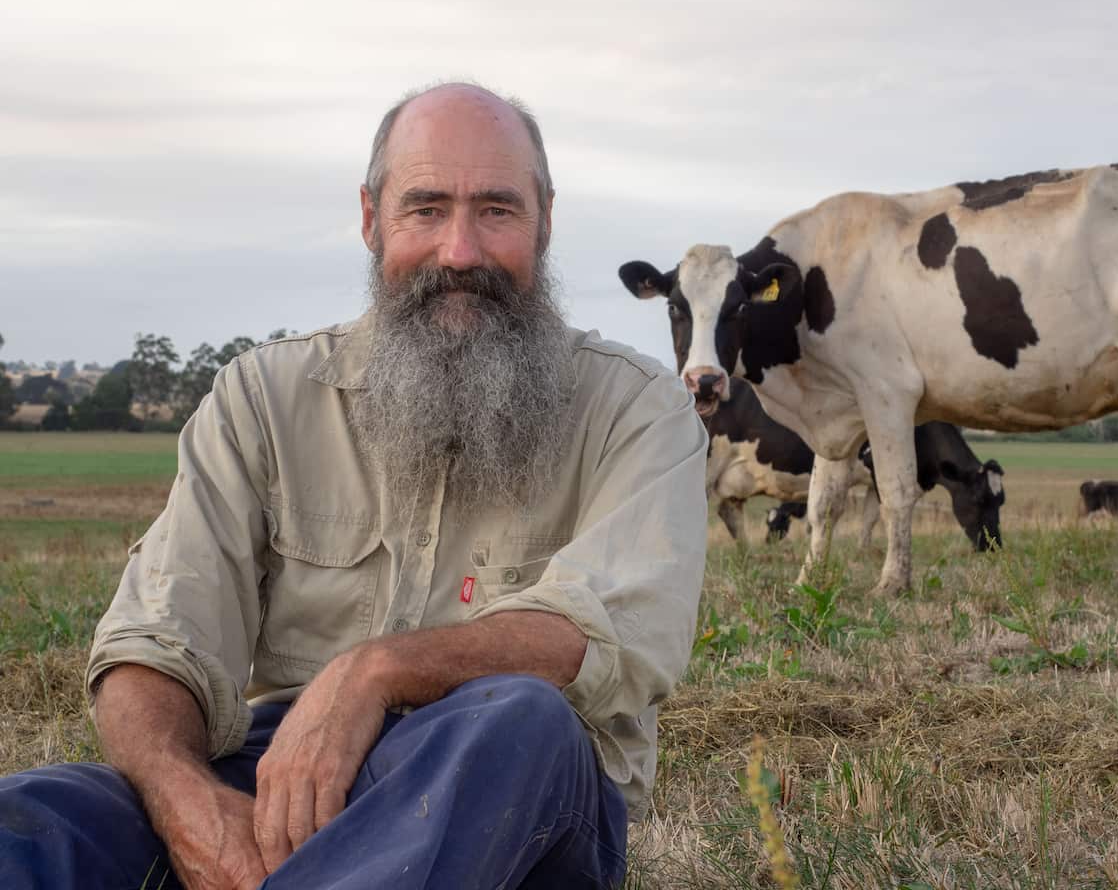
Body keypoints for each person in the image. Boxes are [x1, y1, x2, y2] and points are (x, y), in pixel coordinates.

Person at [0, 82, 708, 889]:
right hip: (279, 784)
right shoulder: (262, 398)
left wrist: (372, 672)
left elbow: (604, 637)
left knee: (524, 718)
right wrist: (187, 802)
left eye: (498, 211)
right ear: (373, 219)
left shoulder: (639, 409)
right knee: (39, 813)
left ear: (545, 220)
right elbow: (153, 643)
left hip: (514, 798)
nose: (461, 252)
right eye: (427, 208)